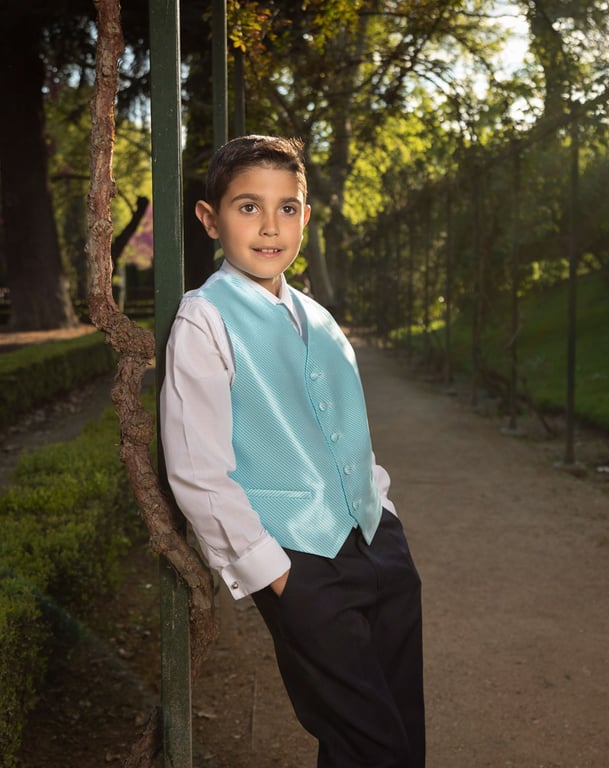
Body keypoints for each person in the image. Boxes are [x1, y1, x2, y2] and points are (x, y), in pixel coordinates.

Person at [159, 134, 425, 768]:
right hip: (302, 563)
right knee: (369, 741)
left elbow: (345, 429)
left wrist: (382, 513)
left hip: (378, 546)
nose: (270, 226)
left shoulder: (322, 319)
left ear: (305, 217)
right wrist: (275, 574)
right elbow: (197, 469)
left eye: (287, 208)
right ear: (210, 219)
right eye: (248, 207)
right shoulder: (204, 319)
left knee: (401, 732)